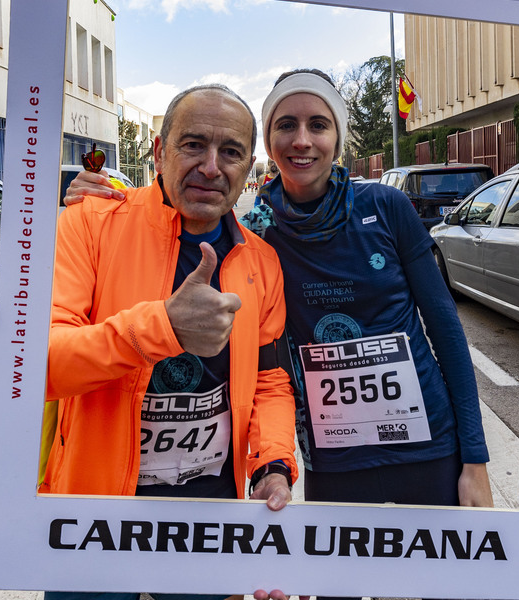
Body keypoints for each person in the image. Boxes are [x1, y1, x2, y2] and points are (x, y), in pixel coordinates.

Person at [70, 70, 493, 598]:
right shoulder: (261, 230)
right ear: (267, 146)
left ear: (337, 136)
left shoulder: (384, 208)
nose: (302, 139)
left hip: (427, 444)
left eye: (318, 124)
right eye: (286, 125)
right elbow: (176, 207)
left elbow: (447, 332)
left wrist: (474, 457)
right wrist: (95, 200)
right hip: (334, 456)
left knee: (447, 587)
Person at [42, 84, 297, 600]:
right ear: (159, 152)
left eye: (230, 152)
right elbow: (39, 366)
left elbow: (269, 380)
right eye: (192, 145)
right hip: (93, 519)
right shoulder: (89, 223)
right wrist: (162, 329)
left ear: (248, 167)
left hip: (207, 523)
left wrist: (271, 466)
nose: (210, 166)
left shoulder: (262, 263)